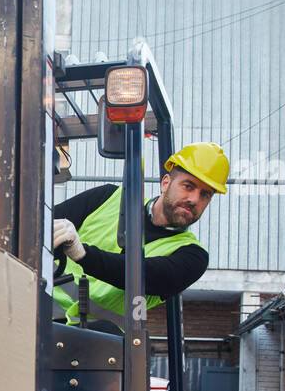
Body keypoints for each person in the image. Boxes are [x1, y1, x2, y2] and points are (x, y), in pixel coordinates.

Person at [51, 142, 229, 332]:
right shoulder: (107, 198)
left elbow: (141, 274)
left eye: (205, 195)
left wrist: (82, 253)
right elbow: (37, 226)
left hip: (97, 346)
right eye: (188, 186)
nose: (194, 199)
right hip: (37, 308)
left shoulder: (192, 257)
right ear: (165, 183)